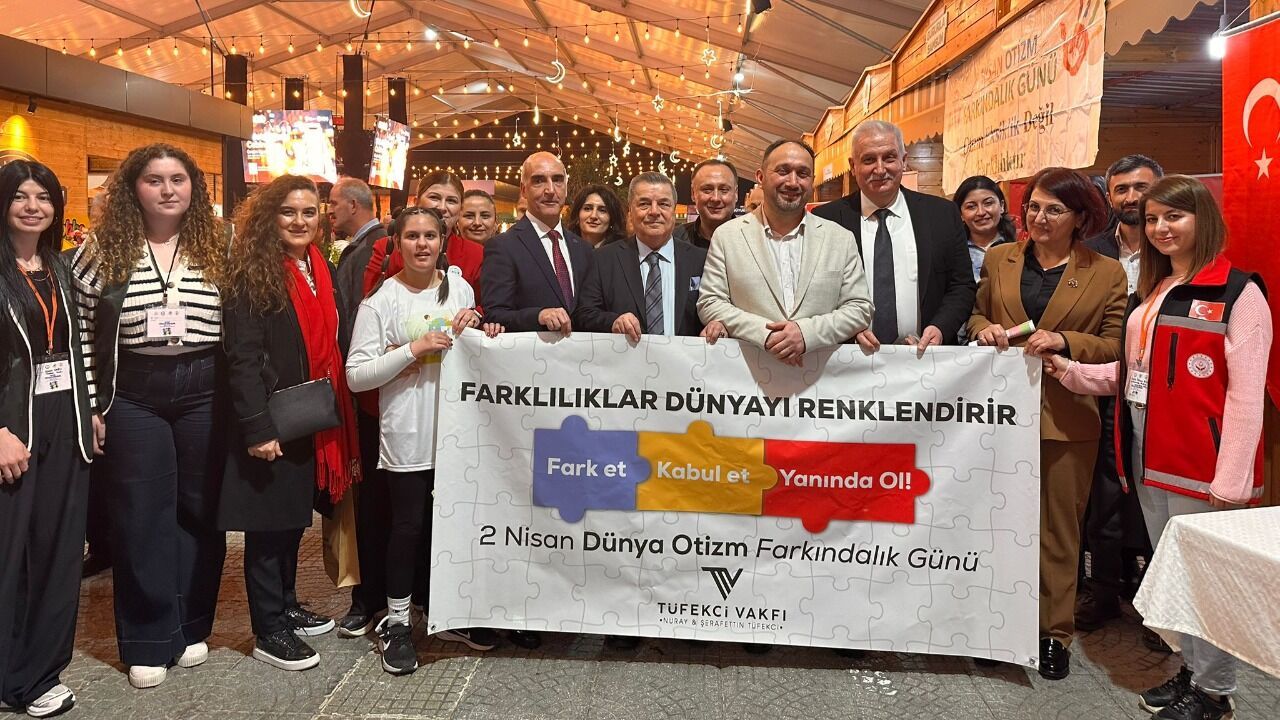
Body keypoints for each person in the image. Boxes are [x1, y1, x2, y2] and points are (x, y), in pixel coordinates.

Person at [1045, 175, 1269, 720]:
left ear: (1203, 219)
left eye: (1174, 216)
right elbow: (1135, 373)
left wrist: (1233, 479)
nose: (1161, 228)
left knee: (1208, 583)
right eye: (1152, 220)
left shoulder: (1238, 293)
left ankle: (1215, 694)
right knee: (1179, 578)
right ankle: (1194, 672)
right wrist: (1074, 373)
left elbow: (1246, 396)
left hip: (1203, 468)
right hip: (1149, 459)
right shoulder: (1157, 290)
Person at [72, 143, 228, 690]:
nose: (167, 190)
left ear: (194, 187)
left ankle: (190, 625)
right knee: (141, 514)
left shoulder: (219, 243)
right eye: (154, 180)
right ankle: (147, 639)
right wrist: (93, 404)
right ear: (133, 188)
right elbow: (82, 332)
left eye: (177, 179)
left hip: (206, 387)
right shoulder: (102, 248)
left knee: (200, 510)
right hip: (133, 391)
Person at [968, 167, 1127, 680]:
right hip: (999, 417)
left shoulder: (1106, 272)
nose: (1039, 217)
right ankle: (998, 624)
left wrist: (1065, 341)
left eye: (1054, 209)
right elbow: (975, 314)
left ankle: (1052, 633)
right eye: (1033, 206)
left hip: (1067, 420)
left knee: (1058, 531)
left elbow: (1116, 344)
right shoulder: (1001, 258)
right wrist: (984, 329)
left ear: (1080, 217)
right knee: (997, 524)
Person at [347, 207, 505, 674]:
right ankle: (397, 622)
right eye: (412, 236)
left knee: (450, 527)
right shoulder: (381, 301)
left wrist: (482, 324)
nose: (422, 244)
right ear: (396, 243)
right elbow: (356, 375)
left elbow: (473, 346)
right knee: (408, 527)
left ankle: (445, 611)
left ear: (442, 241)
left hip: (457, 433)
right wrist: (411, 350)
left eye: (430, 236)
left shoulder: (460, 288)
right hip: (409, 432)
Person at [219, 175, 362, 672]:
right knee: (267, 526)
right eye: (288, 212)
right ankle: (268, 629)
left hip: (309, 412)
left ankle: (285, 603)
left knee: (291, 519)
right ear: (268, 216)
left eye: (308, 212)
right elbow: (242, 357)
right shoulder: (252, 271)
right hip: (274, 418)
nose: (300, 221)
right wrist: (258, 427)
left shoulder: (318, 264)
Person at [0, 161, 95, 718]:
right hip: (14, 425)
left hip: (66, 420)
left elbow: (80, 345)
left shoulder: (60, 266)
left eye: (44, 197)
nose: (33, 206)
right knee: (10, 553)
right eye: (20, 196)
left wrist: (92, 410)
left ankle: (39, 674)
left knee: (59, 551)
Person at [1076, 155, 1165, 637]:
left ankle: (1160, 605)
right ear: (1108, 196)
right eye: (1122, 189)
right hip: (1100, 386)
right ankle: (1104, 590)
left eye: (1141, 187)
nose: (1132, 198)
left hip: (1162, 396)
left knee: (1156, 500)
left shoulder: (1173, 249)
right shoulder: (1089, 251)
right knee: (1104, 493)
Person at [698, 139, 873, 366]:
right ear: (760, 177)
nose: (792, 182)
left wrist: (806, 334)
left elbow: (860, 307)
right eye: (783, 171)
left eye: (803, 173)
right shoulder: (727, 236)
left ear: (812, 180)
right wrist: (765, 334)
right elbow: (710, 301)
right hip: (748, 376)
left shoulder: (840, 238)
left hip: (821, 378)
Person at [813, 120, 975, 351]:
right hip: (851, 357)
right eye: (869, 160)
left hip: (926, 357)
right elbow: (817, 292)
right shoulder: (827, 220)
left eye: (889, 157)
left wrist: (940, 328)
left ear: (904, 160)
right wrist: (846, 327)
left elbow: (962, 285)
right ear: (853, 166)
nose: (880, 169)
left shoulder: (941, 214)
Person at [326, 177, 390, 638]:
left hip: (373, 395)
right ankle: (370, 598)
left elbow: (348, 327)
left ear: (353, 205)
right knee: (371, 502)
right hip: (369, 394)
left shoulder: (370, 251)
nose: (328, 211)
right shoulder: (359, 251)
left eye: (331, 203)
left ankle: (377, 597)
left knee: (375, 502)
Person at [576, 173, 719, 342]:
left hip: (686, 358)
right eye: (644, 204)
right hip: (625, 357)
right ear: (630, 211)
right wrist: (613, 322)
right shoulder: (603, 260)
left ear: (673, 210)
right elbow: (584, 314)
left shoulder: (701, 260)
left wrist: (716, 325)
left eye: (663, 204)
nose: (654, 212)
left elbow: (714, 308)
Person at [481, 152, 594, 339]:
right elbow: (495, 315)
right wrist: (539, 316)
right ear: (523, 190)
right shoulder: (503, 247)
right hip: (532, 354)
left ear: (566, 188)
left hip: (582, 355)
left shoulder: (583, 249)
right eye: (539, 181)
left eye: (557, 180)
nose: (550, 190)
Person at [365, 174, 481, 297]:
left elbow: (485, 304)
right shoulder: (385, 247)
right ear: (416, 202)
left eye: (451, 201)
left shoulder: (476, 254)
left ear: (461, 209)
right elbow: (370, 298)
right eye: (434, 197)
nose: (442, 207)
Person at [953, 175, 1016, 283]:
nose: (981, 212)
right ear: (960, 214)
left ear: (1002, 206)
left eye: (988, 203)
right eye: (971, 206)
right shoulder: (954, 253)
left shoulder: (1019, 250)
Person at [674, 159, 739, 248]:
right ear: (693, 194)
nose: (716, 198)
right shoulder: (673, 240)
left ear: (736, 194)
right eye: (707, 189)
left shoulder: (753, 239)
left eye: (724, 190)